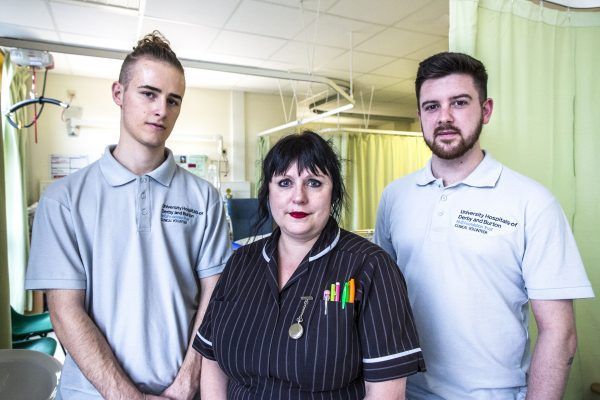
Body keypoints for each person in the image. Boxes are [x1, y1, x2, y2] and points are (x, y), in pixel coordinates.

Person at [374, 52, 595, 400]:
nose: (444, 117)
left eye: (459, 102)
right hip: (405, 391)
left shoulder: (532, 202)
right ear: (419, 115)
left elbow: (560, 333)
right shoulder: (394, 197)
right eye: (431, 106)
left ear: (486, 110)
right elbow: (381, 301)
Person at [25, 31, 231, 399]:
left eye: (173, 100)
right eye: (148, 94)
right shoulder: (63, 200)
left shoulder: (205, 199)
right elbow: (65, 312)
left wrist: (185, 386)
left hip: (180, 393)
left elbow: (215, 300)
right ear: (119, 94)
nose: (161, 110)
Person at [193, 131, 426, 399]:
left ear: (333, 193)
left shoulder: (370, 268)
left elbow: (386, 391)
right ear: (268, 192)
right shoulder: (241, 263)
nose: (298, 197)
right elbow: (211, 358)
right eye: (284, 183)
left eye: (314, 183)